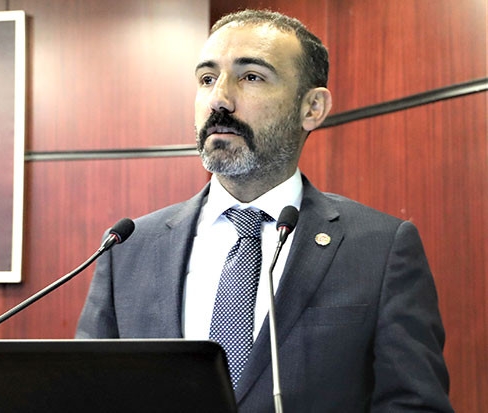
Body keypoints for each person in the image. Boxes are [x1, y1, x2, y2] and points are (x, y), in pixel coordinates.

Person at [77, 9, 453, 412]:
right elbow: (86, 397)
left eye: (251, 77)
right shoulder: (128, 247)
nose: (219, 99)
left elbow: (415, 405)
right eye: (207, 79)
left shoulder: (380, 250)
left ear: (312, 108)